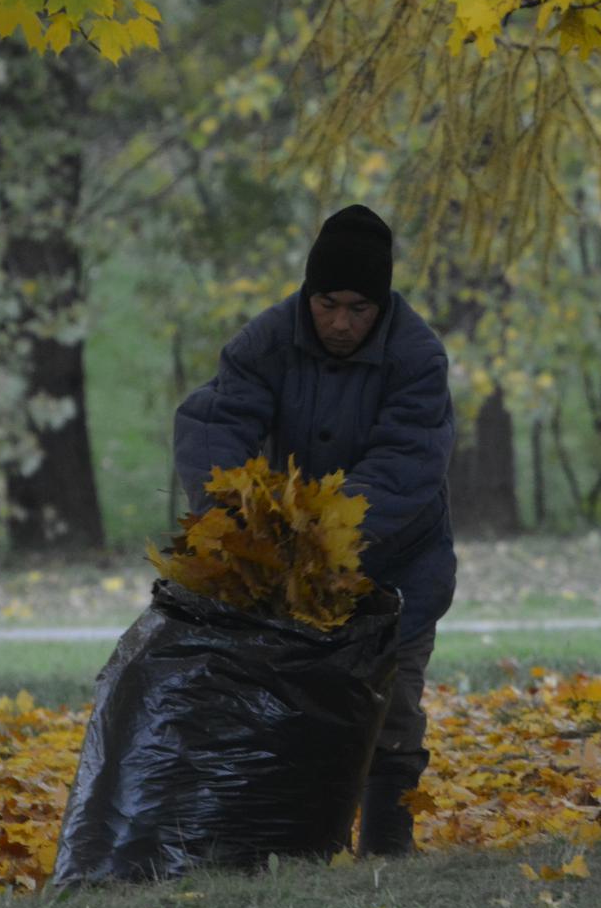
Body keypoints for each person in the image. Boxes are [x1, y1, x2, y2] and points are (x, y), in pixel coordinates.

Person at [173, 203, 456, 856]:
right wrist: (239, 515)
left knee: (393, 708)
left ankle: (388, 849)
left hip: (395, 565)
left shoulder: (417, 358)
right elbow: (217, 421)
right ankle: (287, 848)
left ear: (381, 306)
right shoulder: (265, 340)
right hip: (289, 569)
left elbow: (403, 466)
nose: (340, 322)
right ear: (310, 292)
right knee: (292, 705)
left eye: (359, 308)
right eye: (329, 302)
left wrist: (319, 534)